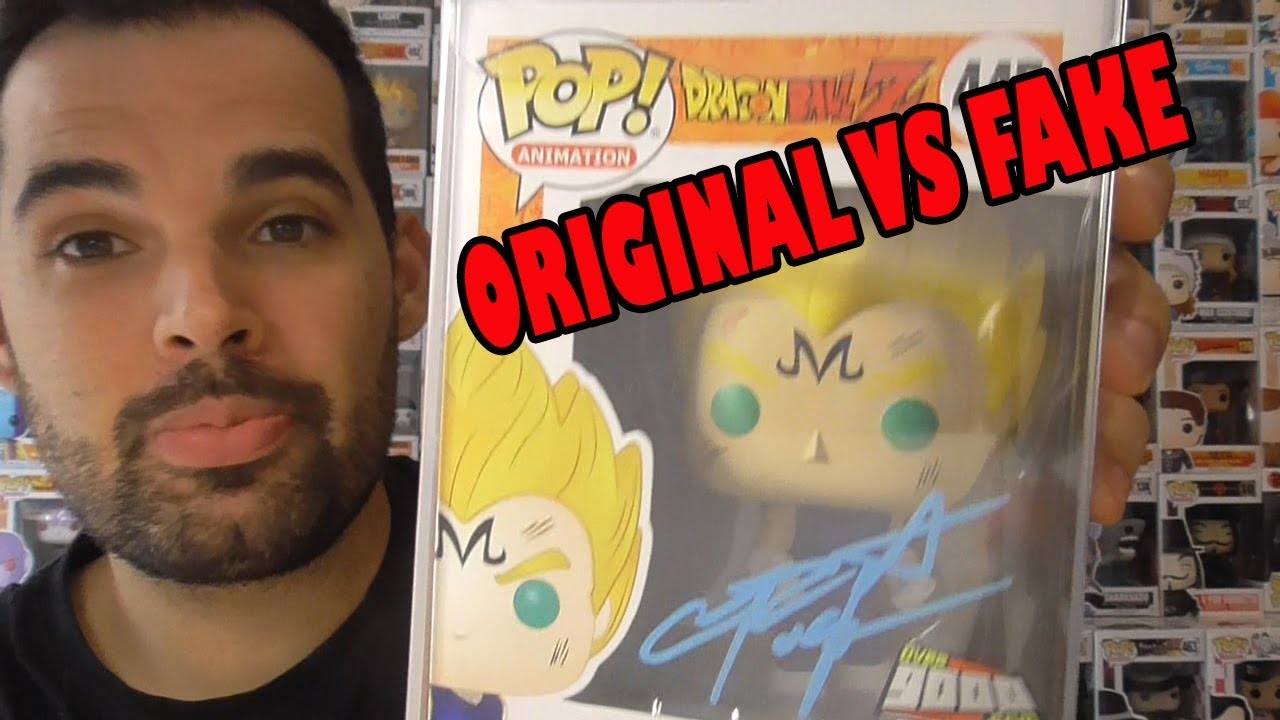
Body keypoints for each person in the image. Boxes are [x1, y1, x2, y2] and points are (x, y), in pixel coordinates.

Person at [0, 1, 1172, 718]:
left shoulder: (616, 562)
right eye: (90, 243)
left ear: (410, 275)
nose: (203, 314)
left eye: (285, 224)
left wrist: (1029, 299)